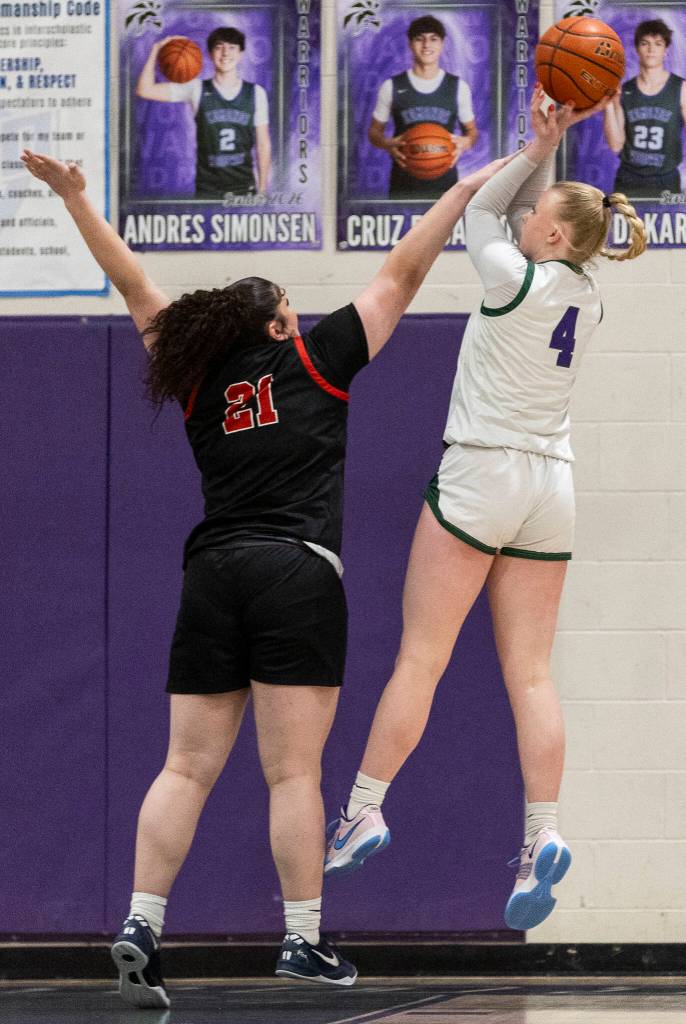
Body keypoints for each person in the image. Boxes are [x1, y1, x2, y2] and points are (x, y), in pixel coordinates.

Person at [20, 143, 513, 1007]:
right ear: (282, 326)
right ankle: (301, 940)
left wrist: (75, 200)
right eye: (291, 304)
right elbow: (403, 271)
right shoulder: (318, 357)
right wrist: (465, 189)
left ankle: (139, 922)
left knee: (183, 768)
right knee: (290, 775)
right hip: (296, 574)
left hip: (213, 573)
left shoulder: (199, 377)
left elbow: (134, 285)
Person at [325, 86, 647, 932]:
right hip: (552, 489)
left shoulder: (513, 277)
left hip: (482, 476)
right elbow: (515, 208)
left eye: (539, 213)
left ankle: (363, 808)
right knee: (533, 675)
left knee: (421, 660)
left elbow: (477, 203)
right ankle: (543, 831)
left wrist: (541, 144)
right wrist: (551, 143)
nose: (527, 216)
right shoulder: (590, 296)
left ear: (550, 234)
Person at [136, 27, 271, 198]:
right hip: (208, 189)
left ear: (241, 53)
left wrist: (263, 190)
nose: (225, 53)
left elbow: (263, 144)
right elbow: (144, 90)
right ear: (209, 54)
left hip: (244, 188)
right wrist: (156, 50)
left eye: (232, 47)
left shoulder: (256, 93)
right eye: (219, 47)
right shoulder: (196, 89)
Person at [368, 15, 478, 199]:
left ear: (442, 44)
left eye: (433, 39)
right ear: (410, 44)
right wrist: (386, 143)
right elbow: (374, 132)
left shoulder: (458, 87)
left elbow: (472, 132)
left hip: (446, 183)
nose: (427, 44)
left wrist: (466, 142)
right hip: (403, 182)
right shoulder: (392, 86)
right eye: (420, 39)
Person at [603, 19, 686, 198]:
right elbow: (616, 145)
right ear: (637, 48)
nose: (651, 50)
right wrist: (609, 104)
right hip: (628, 179)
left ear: (666, 50)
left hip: (666, 179)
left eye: (658, 44)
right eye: (645, 43)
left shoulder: (681, 88)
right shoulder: (624, 91)